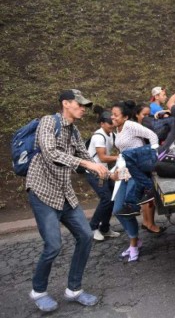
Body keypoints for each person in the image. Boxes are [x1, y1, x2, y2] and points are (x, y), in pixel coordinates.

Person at [26, 89, 108, 312]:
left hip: (64, 193)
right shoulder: (47, 122)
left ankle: (74, 290)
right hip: (42, 192)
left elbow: (86, 158)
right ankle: (39, 291)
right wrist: (88, 165)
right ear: (65, 103)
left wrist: (108, 173)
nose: (83, 108)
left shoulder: (74, 132)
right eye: (79, 104)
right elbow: (50, 152)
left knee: (85, 235)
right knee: (53, 245)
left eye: (84, 105)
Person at [111, 101, 160, 262]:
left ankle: (133, 245)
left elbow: (152, 136)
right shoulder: (116, 130)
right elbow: (123, 153)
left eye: (115, 115)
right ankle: (135, 240)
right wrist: (119, 171)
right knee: (118, 209)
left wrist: (151, 157)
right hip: (126, 169)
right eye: (112, 114)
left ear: (125, 117)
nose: (112, 117)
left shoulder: (130, 125)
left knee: (128, 207)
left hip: (137, 170)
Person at [86, 106, 120, 241]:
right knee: (106, 199)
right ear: (102, 123)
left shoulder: (111, 133)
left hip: (104, 171)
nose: (112, 126)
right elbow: (103, 158)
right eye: (109, 124)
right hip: (94, 172)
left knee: (112, 199)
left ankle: (105, 228)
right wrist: (119, 157)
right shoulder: (98, 136)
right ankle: (93, 228)